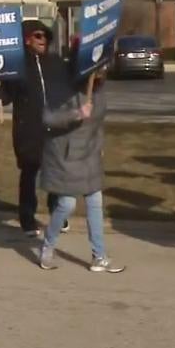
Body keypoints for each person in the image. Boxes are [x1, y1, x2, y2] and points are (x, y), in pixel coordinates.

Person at [37, 64, 124, 273]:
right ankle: (48, 247)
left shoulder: (99, 90)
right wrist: (76, 113)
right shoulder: (62, 87)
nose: (103, 72)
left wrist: (99, 146)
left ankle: (99, 256)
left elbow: (98, 123)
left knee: (95, 202)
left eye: (105, 68)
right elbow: (48, 118)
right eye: (99, 68)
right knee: (67, 205)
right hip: (64, 155)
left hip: (89, 154)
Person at [0, 19, 65, 238]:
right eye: (38, 36)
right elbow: (5, 98)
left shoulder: (54, 62)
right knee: (30, 173)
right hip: (28, 129)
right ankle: (27, 218)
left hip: (54, 127)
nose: (43, 40)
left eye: (45, 36)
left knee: (55, 171)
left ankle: (58, 214)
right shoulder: (15, 66)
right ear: (27, 39)